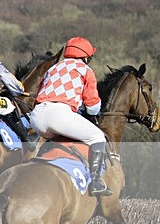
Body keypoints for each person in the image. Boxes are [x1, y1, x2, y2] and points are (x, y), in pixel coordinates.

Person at [30, 37, 110, 196]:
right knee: (98, 137)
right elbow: (93, 106)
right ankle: (95, 182)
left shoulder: (52, 69)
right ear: (86, 57)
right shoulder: (85, 70)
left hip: (37, 117)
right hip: (59, 115)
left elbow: (40, 92)